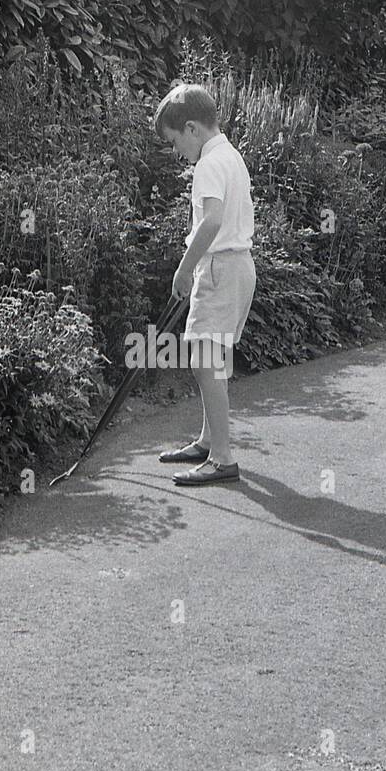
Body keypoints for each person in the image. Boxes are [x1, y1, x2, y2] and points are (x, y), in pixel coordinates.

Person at [153, 82, 255, 485]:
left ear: (192, 128)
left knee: (203, 360)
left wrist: (183, 269)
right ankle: (209, 441)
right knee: (210, 360)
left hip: (220, 268)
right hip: (235, 266)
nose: (178, 151)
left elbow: (211, 221)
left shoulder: (208, 165)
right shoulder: (231, 157)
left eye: (176, 141)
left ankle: (223, 458)